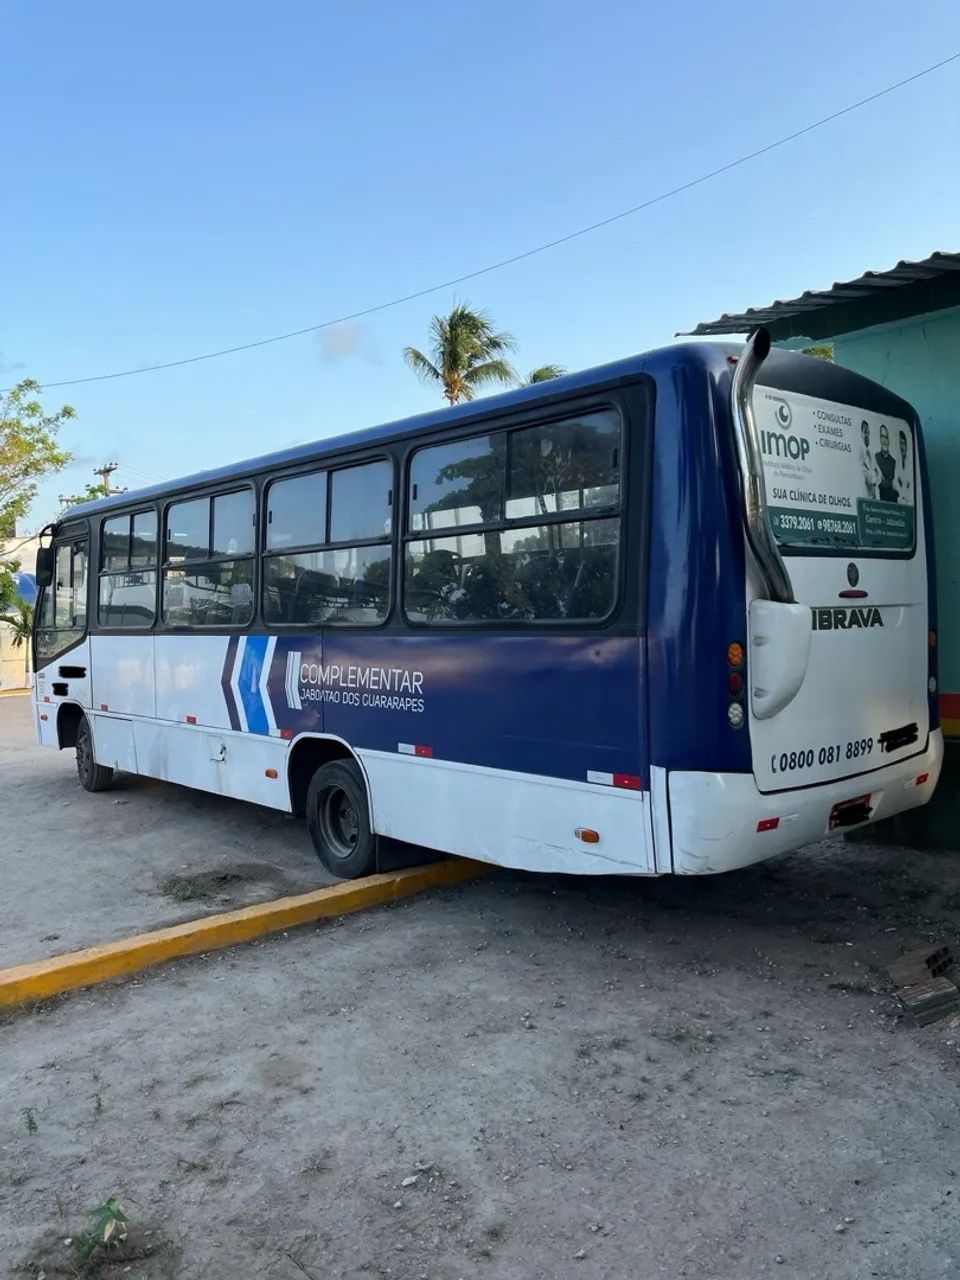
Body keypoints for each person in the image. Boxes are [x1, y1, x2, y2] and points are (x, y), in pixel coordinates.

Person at [875, 424, 898, 502]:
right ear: (879, 438)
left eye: (886, 437)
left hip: (892, 502)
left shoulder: (893, 461)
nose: (884, 440)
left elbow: (896, 485)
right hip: (879, 501)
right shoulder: (876, 457)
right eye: (882, 437)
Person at [859, 420, 878, 499]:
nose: (866, 435)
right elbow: (863, 474)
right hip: (865, 496)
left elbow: (879, 475)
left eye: (868, 432)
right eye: (864, 432)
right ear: (861, 434)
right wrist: (873, 475)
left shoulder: (872, 455)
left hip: (875, 495)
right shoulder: (859, 453)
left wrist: (873, 475)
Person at [896, 429, 913, 505]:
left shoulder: (910, 463)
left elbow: (910, 484)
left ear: (906, 445)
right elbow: (896, 481)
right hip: (901, 500)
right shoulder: (898, 461)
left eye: (902, 443)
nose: (901, 447)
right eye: (899, 444)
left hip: (910, 500)